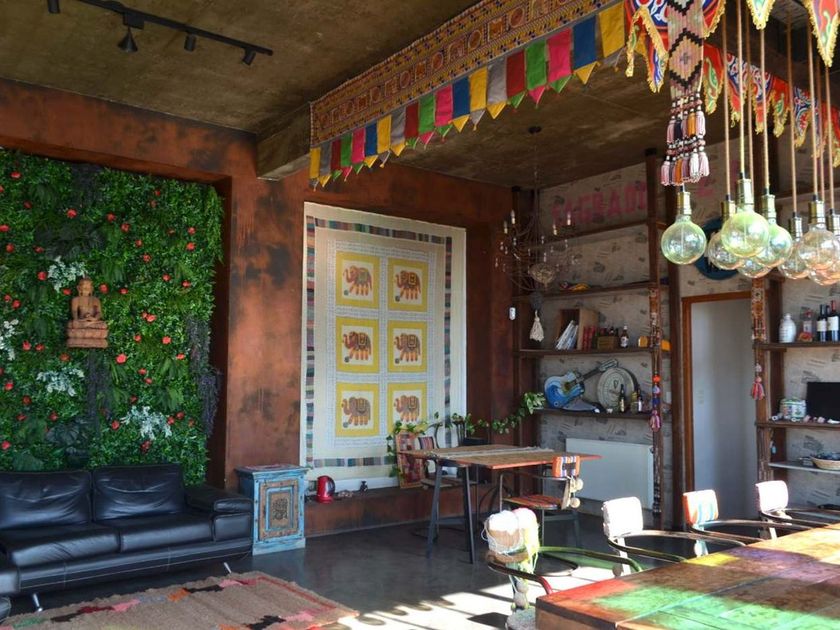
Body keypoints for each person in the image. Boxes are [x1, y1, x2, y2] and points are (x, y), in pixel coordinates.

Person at [67, 277, 108, 348]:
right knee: (72, 324)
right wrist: (77, 320)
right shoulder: (76, 299)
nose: (86, 288)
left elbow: (99, 312)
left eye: (88, 287)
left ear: (91, 288)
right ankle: (95, 341)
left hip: (93, 322)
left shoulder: (96, 300)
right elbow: (74, 311)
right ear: (79, 288)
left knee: (103, 325)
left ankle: (80, 340)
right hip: (81, 321)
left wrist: (94, 319)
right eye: (84, 287)